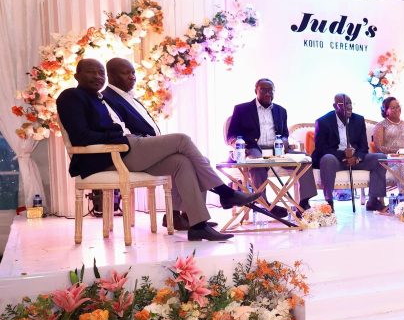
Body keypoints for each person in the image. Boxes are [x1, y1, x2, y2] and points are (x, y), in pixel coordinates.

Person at [56, 58, 258, 242]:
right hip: (113, 154)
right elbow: (81, 136)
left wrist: (116, 133)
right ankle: (224, 192)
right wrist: (115, 135)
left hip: (127, 149)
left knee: (182, 162)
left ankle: (198, 225)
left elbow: (111, 127)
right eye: (92, 72)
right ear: (77, 75)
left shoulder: (97, 98)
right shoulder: (71, 96)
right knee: (182, 140)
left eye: (101, 73)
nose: (98, 77)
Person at [101, 57, 187, 230]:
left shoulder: (132, 98)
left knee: (187, 161)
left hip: (148, 148)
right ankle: (223, 193)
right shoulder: (106, 98)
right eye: (126, 73)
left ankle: (182, 216)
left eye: (133, 72)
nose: (132, 77)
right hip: (135, 153)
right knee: (182, 141)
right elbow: (123, 132)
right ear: (111, 75)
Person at [226, 78, 317, 212]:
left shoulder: (281, 111)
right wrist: (237, 144)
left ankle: (303, 202)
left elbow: (284, 133)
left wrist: (285, 140)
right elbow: (231, 134)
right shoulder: (242, 109)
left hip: (277, 150)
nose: (268, 93)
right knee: (256, 162)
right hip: (253, 148)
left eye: (271, 90)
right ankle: (264, 204)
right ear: (255, 91)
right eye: (263, 90)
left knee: (305, 159)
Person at [311, 93, 387, 211]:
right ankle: (329, 203)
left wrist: (356, 158)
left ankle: (373, 200)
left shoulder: (358, 120)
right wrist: (343, 155)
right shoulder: (323, 122)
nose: (349, 107)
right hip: (336, 159)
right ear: (335, 106)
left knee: (380, 157)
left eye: (350, 103)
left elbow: (363, 147)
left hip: (355, 159)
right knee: (327, 159)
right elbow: (321, 149)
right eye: (345, 104)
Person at [371, 96, 404, 191]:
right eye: (393, 108)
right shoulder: (380, 126)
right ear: (385, 110)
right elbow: (379, 147)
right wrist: (399, 151)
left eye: (398, 106)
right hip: (391, 159)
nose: (397, 109)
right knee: (402, 163)